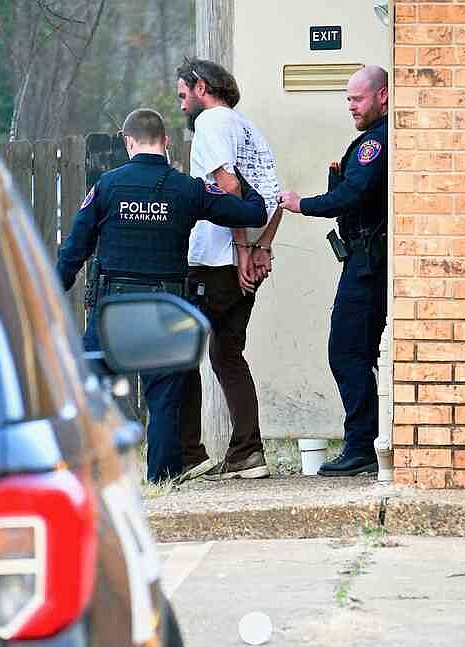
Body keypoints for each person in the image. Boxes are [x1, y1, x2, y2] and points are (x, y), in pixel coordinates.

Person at [56, 108, 268, 483]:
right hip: (165, 311)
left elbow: (75, 249)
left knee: (87, 390)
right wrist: (235, 180)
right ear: (166, 142)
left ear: (128, 142)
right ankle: (160, 482)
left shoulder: (107, 186)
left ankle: (90, 479)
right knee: (165, 402)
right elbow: (252, 213)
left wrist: (52, 293)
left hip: (112, 313)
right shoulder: (187, 189)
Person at [174, 57, 283, 482]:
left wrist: (240, 247)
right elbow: (274, 196)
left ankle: (189, 453)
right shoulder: (250, 130)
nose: (183, 106)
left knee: (181, 353)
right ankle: (246, 451)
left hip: (215, 262)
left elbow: (229, 188)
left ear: (201, 86)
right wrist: (263, 247)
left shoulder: (212, 124)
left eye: (184, 95)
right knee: (227, 354)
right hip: (246, 261)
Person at [277, 65, 388, 477]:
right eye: (348, 99)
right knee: (357, 353)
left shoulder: (375, 144)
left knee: (346, 352)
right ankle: (369, 441)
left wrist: (303, 203)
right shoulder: (376, 139)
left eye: (357, 99)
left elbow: (352, 196)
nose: (351, 107)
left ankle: (361, 446)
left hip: (367, 266)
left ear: (382, 96)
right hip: (367, 260)